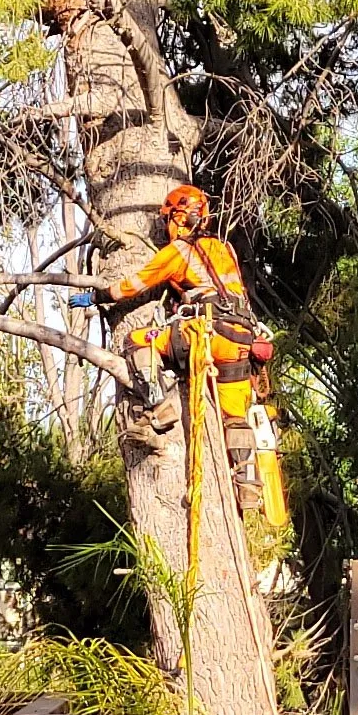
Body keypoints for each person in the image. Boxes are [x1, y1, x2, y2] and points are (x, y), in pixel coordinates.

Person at [69, 185, 270, 511]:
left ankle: (158, 407)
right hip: (241, 343)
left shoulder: (178, 251)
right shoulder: (225, 249)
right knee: (235, 417)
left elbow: (131, 286)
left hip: (204, 332)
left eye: (168, 221)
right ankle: (247, 484)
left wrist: (95, 296)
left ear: (179, 217)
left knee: (136, 342)